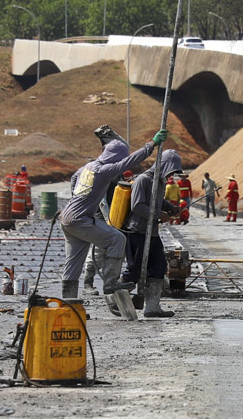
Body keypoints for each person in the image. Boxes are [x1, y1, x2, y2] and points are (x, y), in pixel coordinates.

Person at [60, 124, 162, 315]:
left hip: (67, 217)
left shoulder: (88, 167)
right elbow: (131, 161)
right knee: (118, 239)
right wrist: (152, 144)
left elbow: (74, 179)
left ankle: (69, 309)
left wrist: (78, 199)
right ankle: (110, 282)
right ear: (115, 158)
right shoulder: (104, 170)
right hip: (80, 219)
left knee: (73, 264)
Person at [121, 150, 183, 318]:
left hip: (151, 232)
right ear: (163, 166)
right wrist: (158, 215)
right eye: (171, 170)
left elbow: (156, 200)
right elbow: (137, 206)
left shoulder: (159, 182)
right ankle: (117, 302)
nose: (172, 175)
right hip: (137, 232)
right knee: (134, 271)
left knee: (159, 266)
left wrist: (169, 207)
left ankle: (152, 307)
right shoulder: (143, 180)